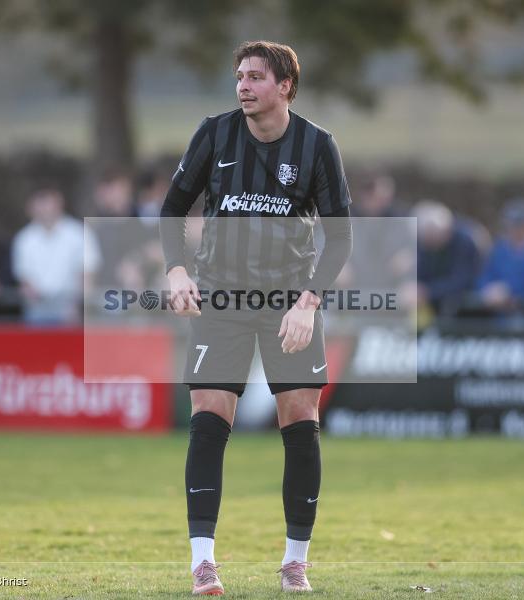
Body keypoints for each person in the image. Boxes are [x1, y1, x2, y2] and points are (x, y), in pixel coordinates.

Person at [159, 40, 352, 594]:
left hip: (289, 301)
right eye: (238, 76)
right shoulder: (214, 133)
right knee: (209, 417)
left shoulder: (317, 145)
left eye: (255, 77)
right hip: (221, 299)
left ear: (285, 85)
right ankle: (203, 562)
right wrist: (176, 271)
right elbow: (174, 209)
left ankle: (295, 560)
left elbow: (340, 238)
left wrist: (309, 302)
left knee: (299, 420)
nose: (242, 85)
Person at [12, 188, 101, 324]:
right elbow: (24, 278)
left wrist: (79, 306)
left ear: (59, 204)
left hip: (71, 309)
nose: (45, 209)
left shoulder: (78, 233)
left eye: (48, 203)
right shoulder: (24, 238)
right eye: (41, 204)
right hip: (37, 310)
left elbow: (87, 273)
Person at [477, 199, 524, 316]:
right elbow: (484, 278)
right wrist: (489, 290)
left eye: (522, 225)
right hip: (501, 318)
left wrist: (514, 296)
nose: (517, 231)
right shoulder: (499, 250)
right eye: (513, 226)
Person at [414, 200, 481, 317]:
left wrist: (427, 291)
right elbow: (421, 273)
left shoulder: (464, 242)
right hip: (433, 307)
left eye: (430, 236)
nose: (428, 242)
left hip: (466, 311)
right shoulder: (425, 244)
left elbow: (461, 281)